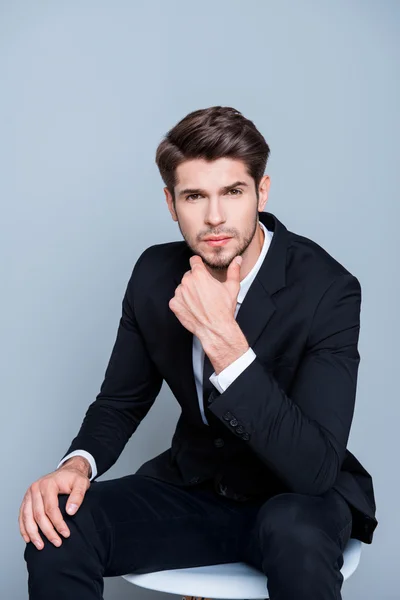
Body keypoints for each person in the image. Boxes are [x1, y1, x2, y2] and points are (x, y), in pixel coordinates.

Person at [20, 106, 378, 600]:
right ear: (171, 203)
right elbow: (119, 403)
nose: (215, 217)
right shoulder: (153, 275)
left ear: (262, 191)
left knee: (294, 530)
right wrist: (75, 465)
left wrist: (224, 341)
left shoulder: (327, 289)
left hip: (297, 502)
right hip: (196, 492)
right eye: (195, 196)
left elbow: (315, 470)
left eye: (232, 192)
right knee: (57, 529)